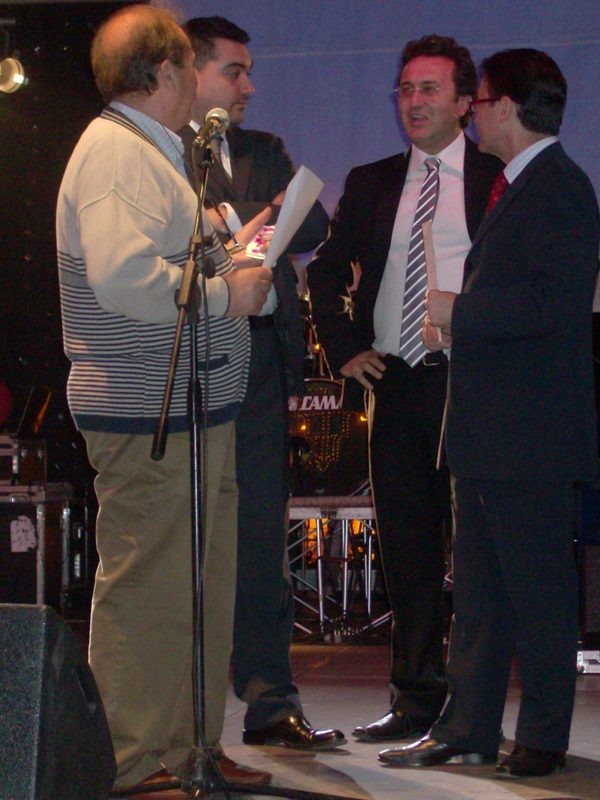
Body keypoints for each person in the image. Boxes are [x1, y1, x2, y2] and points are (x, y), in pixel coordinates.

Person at [56, 5, 275, 793]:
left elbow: (169, 263)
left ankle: (189, 751)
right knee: (151, 591)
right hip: (148, 412)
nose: (203, 82)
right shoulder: (118, 153)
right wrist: (226, 294)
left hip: (187, 409)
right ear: (165, 71)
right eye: (190, 64)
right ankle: (135, 762)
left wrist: (235, 261)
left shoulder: (157, 151)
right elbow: (123, 279)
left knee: (197, 589)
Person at [378, 49, 600, 778]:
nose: (471, 114)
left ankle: (542, 736)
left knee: (537, 591)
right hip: (488, 429)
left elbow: (555, 303)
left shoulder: (560, 186)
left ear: (504, 107)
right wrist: (462, 324)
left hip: (528, 433)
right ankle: (467, 726)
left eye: (477, 102)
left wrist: (459, 313)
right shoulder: (521, 184)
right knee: (478, 592)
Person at [307, 35, 501, 743]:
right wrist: (345, 348)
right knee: (408, 547)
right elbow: (325, 272)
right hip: (395, 381)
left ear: (465, 102)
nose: (413, 103)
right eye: (405, 90)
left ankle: (470, 706)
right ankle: (415, 699)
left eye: (429, 90)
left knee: (476, 548)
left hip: (472, 381)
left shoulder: (496, 177)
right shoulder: (372, 180)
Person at [180, 16, 346, 751]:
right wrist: (255, 219)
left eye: (249, 72)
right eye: (234, 71)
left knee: (258, 540)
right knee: (185, 542)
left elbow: (313, 225)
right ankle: (180, 715)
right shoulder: (163, 152)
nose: (248, 86)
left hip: (258, 367)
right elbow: (183, 239)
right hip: (187, 366)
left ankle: (270, 699)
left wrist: (232, 222)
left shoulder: (264, 149)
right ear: (190, 72)